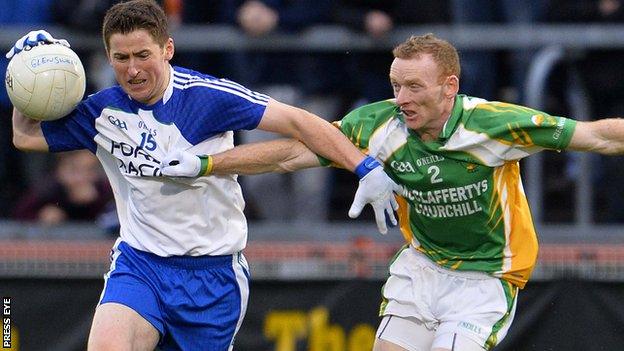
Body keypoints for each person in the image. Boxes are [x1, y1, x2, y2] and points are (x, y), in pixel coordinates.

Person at [161, 33, 624, 351]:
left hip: (486, 279)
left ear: (449, 88)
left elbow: (600, 136)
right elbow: (291, 155)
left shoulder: (494, 124)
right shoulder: (378, 123)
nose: (401, 97)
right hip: (420, 268)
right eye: (395, 84)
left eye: (414, 86)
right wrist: (206, 165)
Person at [6, 1, 398, 350]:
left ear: (168, 49)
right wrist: (23, 75)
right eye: (121, 58)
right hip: (140, 264)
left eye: (143, 54)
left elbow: (299, 121)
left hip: (212, 276)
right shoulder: (100, 111)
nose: (133, 69)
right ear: (108, 57)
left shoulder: (208, 97)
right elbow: (24, 135)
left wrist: (363, 166)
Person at [13, 150, 114, 225]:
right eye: (74, 170)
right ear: (60, 170)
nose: (82, 178)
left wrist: (95, 202)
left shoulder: (107, 191)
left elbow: (113, 222)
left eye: (89, 170)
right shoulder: (47, 190)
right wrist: (39, 217)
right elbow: (16, 219)